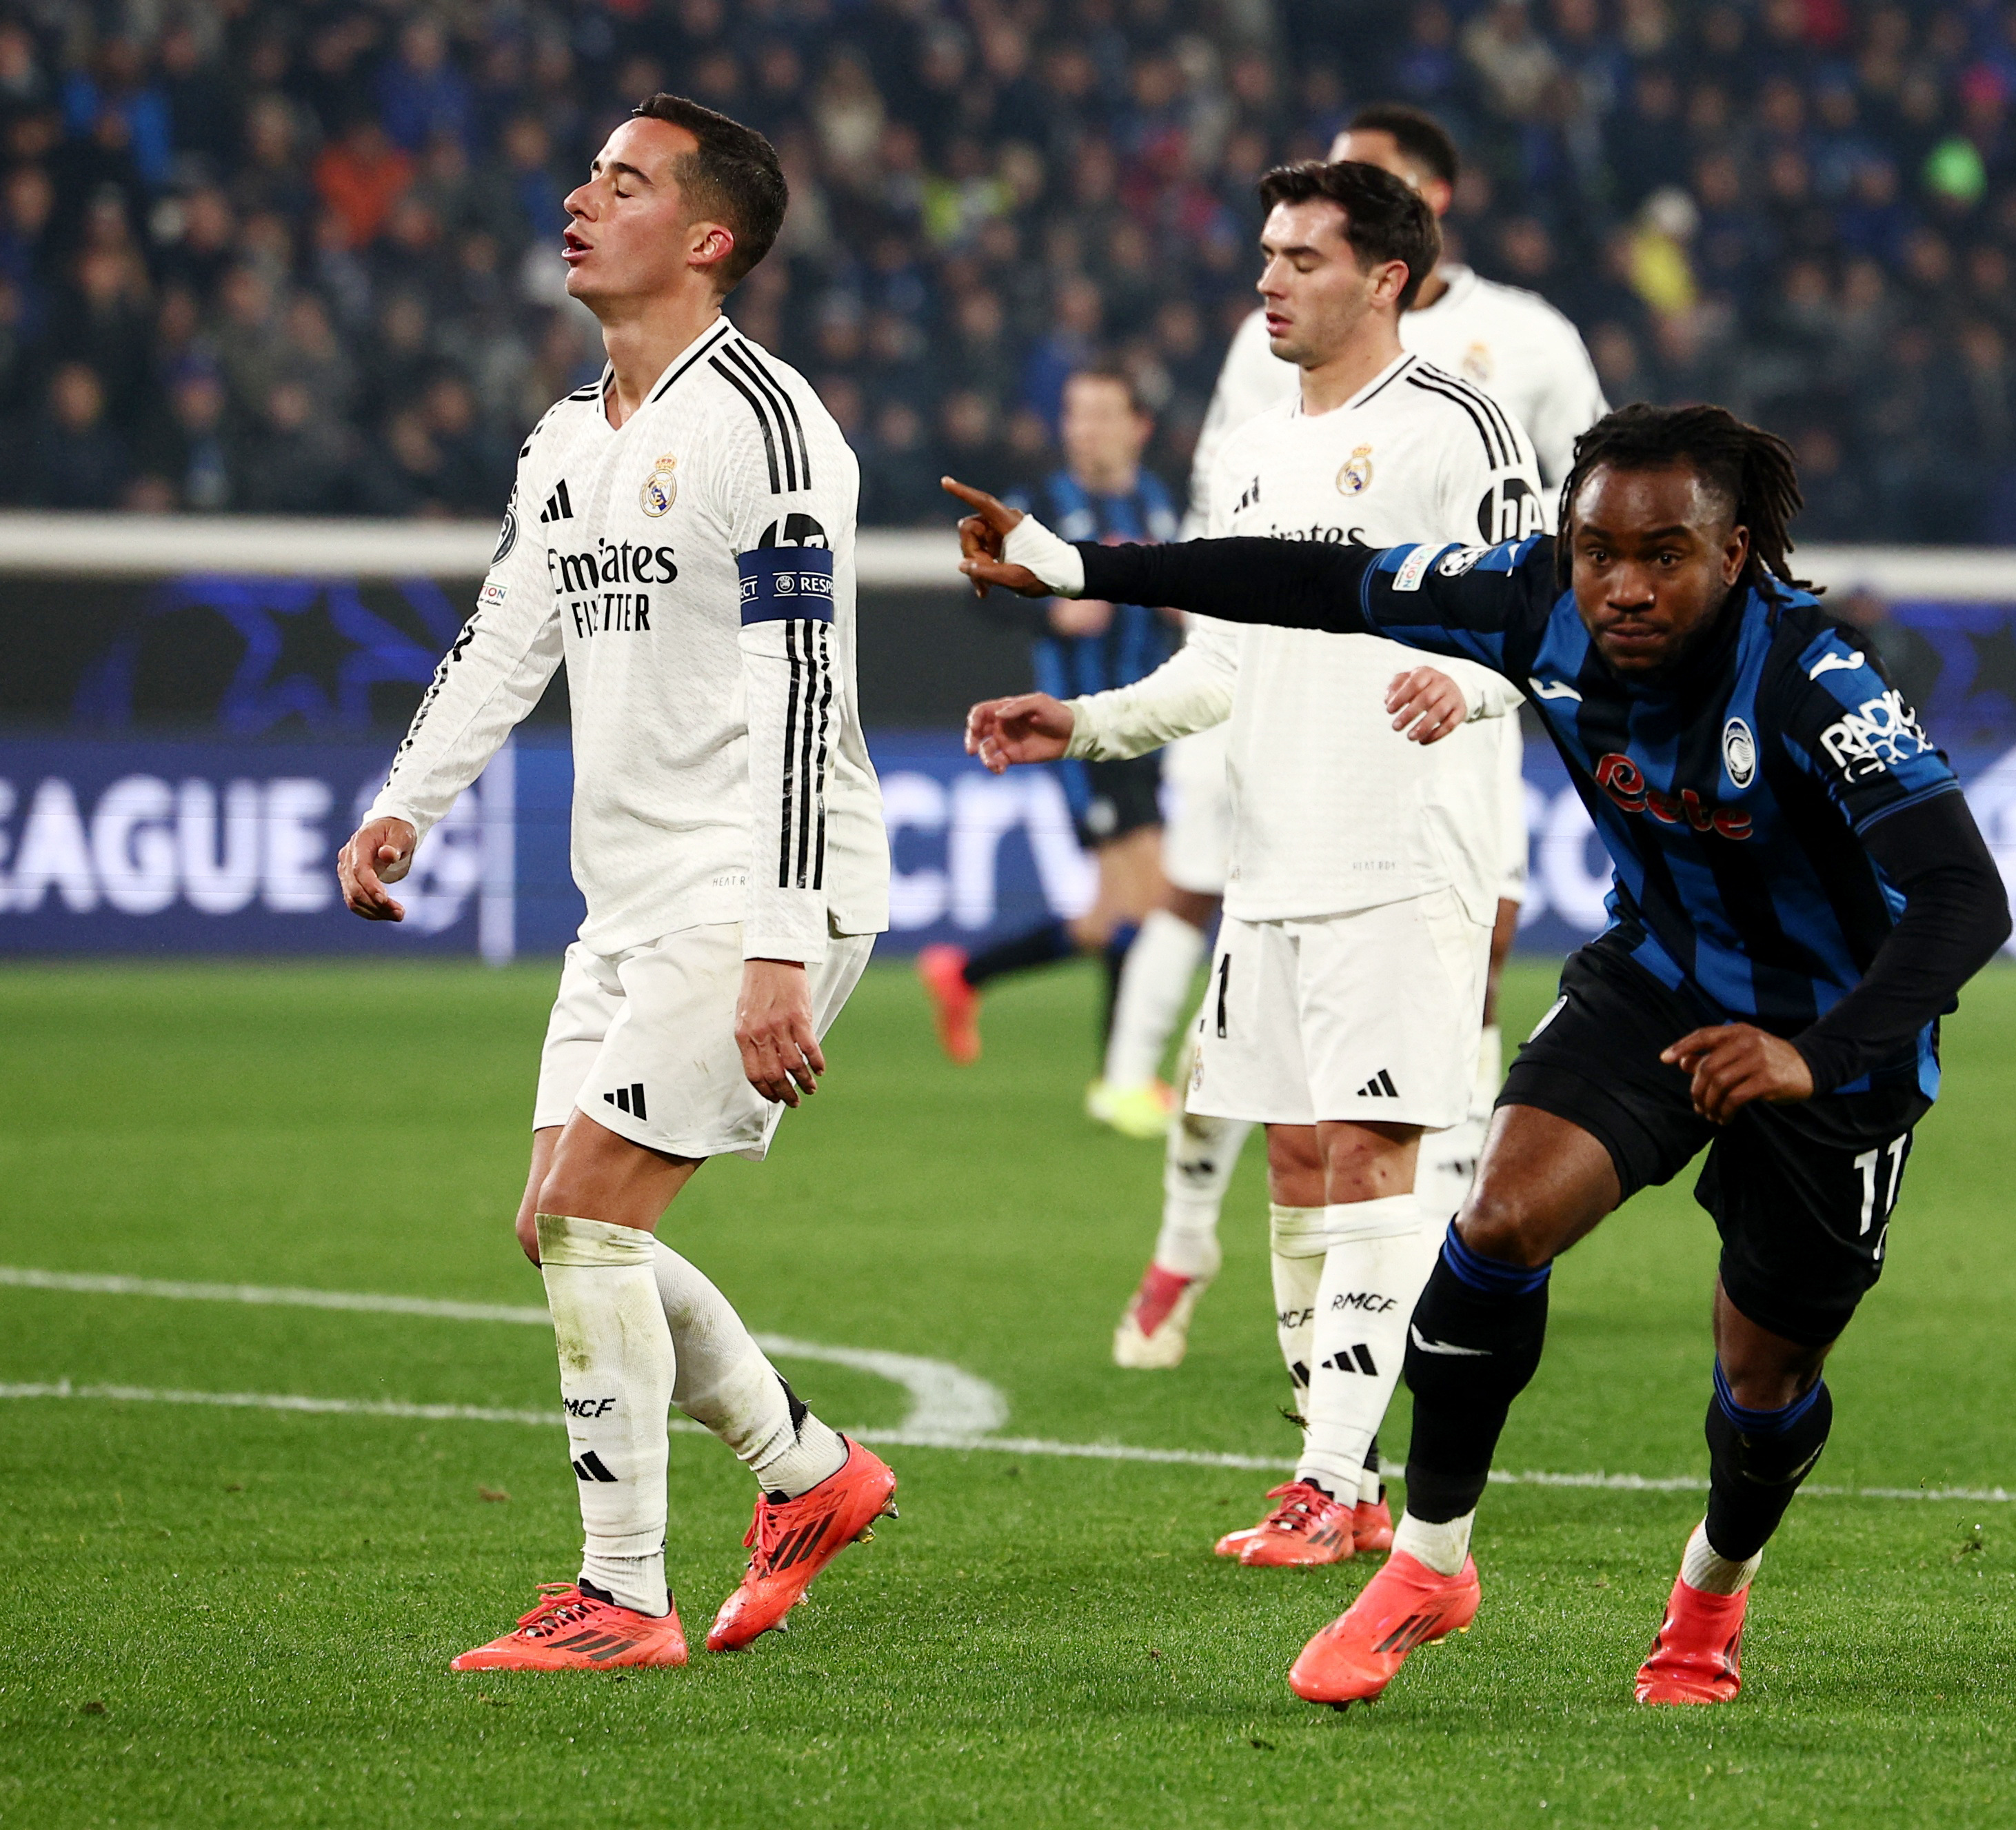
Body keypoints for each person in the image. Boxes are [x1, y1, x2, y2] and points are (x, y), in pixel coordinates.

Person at [943, 399, 2012, 1707]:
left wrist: (1816, 1053)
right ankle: (1431, 1562)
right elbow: (1315, 579)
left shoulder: (1812, 674)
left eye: (1664, 553)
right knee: (1494, 1219)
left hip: (1837, 1047)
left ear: (1732, 555)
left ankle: (1710, 1591)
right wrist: (1076, 563)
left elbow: (1965, 896)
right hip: (1661, 985)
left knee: (1765, 1374)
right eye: (1597, 549)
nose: (1622, 584)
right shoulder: (1529, 599)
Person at [338, 94, 897, 1672]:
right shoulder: (570, 435)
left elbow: (804, 695)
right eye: (584, 173)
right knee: (558, 1226)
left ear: (706, 238)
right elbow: (507, 632)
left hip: (757, 884)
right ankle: (805, 1471)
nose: (580, 199)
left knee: (589, 1221)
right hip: (633, 897)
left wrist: (781, 946)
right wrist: (407, 804)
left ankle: (623, 1598)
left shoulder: (768, 430)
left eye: (623, 181)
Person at [959, 159, 1536, 1565]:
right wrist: (1087, 721)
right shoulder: (1255, 451)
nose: (1267, 282)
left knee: (1376, 1144)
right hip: (1272, 857)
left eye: (1300, 259)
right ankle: (1324, 1473)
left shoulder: (1459, 427)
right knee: (1293, 1154)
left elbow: (1545, 626)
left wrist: (1462, 691)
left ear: (1384, 278)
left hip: (1404, 852)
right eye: (1265, 256)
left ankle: (1340, 1484)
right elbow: (1221, 657)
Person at [1106, 101, 1610, 1371]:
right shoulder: (1266, 377)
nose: (1275, 272)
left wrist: (1488, 669)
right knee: (1253, 1051)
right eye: (1272, 249)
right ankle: (1188, 1248)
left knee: (1429, 1037)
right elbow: (1230, 496)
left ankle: (1425, 1280)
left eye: (1318, 235)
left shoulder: (1519, 352)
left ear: (1417, 221)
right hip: (1273, 715)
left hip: (1428, 754)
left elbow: (1584, 508)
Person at [914, 365, 1182, 1141]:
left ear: (1139, 426)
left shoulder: (1157, 501)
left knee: (1108, 917)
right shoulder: (1040, 507)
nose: (1085, 428)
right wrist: (1048, 622)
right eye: (1075, 413)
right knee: (1154, 903)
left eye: (1102, 413)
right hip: (1081, 732)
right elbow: (981, 591)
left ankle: (965, 975)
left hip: (1148, 722)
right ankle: (1120, 1080)